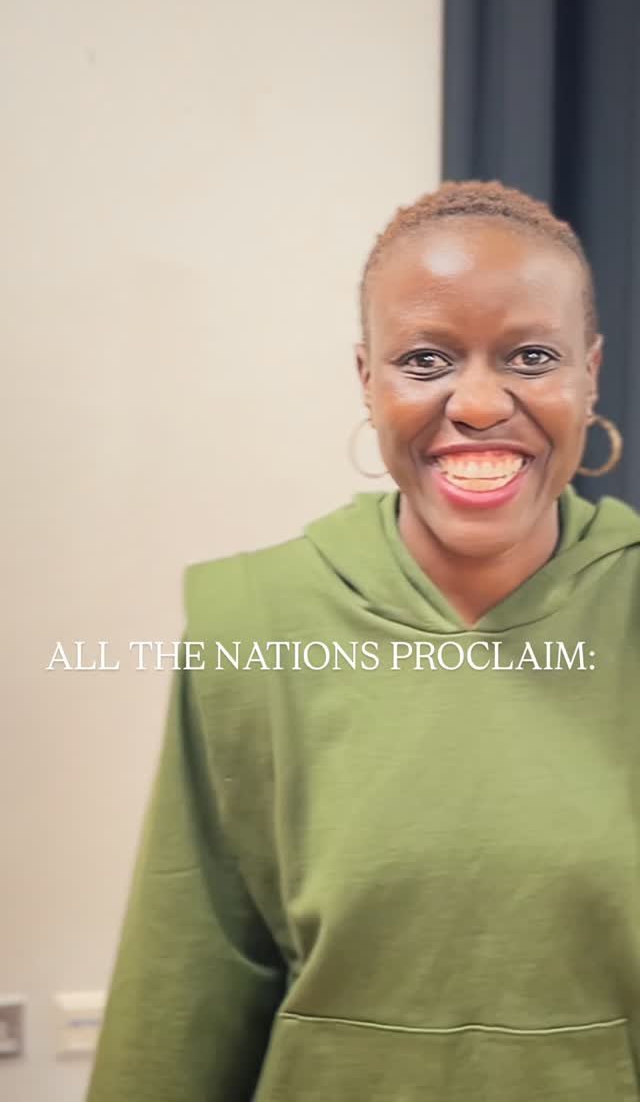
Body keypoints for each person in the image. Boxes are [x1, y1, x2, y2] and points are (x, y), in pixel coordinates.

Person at [87, 180, 640, 1101]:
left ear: (590, 373)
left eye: (532, 356)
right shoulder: (252, 624)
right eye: (425, 360)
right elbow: (182, 996)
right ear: (367, 379)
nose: (477, 403)